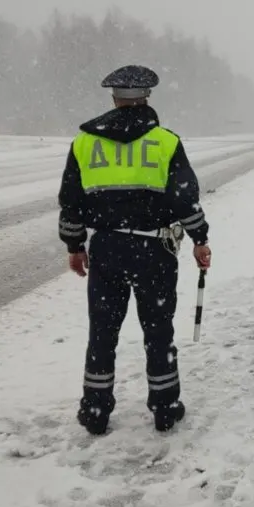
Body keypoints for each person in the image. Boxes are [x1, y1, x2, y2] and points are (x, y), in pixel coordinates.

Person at [58, 64, 212, 435]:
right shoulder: (166, 142)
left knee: (102, 332)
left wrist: (75, 246)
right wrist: (199, 239)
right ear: (147, 97)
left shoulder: (84, 142)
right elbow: (184, 198)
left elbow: (71, 201)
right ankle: (165, 408)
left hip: (106, 248)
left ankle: (95, 411)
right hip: (154, 249)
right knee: (158, 332)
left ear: (114, 98)